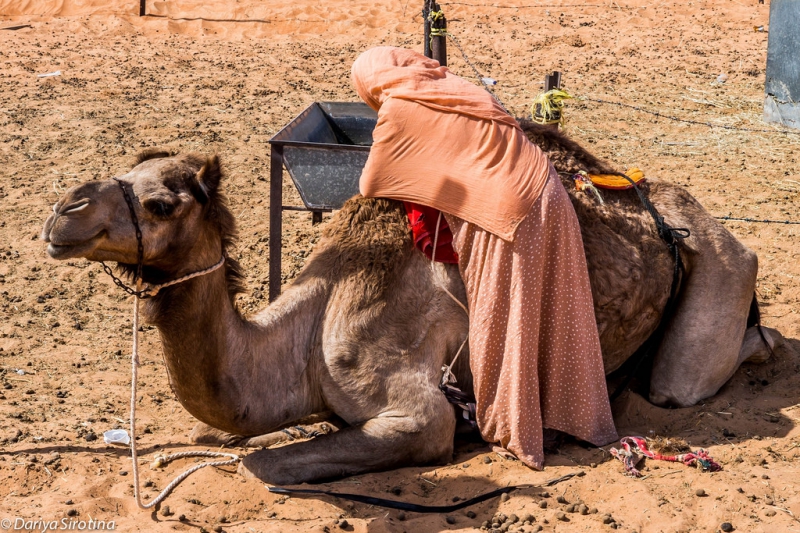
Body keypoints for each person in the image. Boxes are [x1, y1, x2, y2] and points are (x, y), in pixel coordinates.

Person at [351, 46, 617, 469]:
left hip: (504, 212)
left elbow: (371, 181)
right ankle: (567, 418)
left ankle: (517, 429)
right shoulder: (454, 88)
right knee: (556, 315)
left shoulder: (400, 107)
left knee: (504, 319)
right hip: (545, 190)